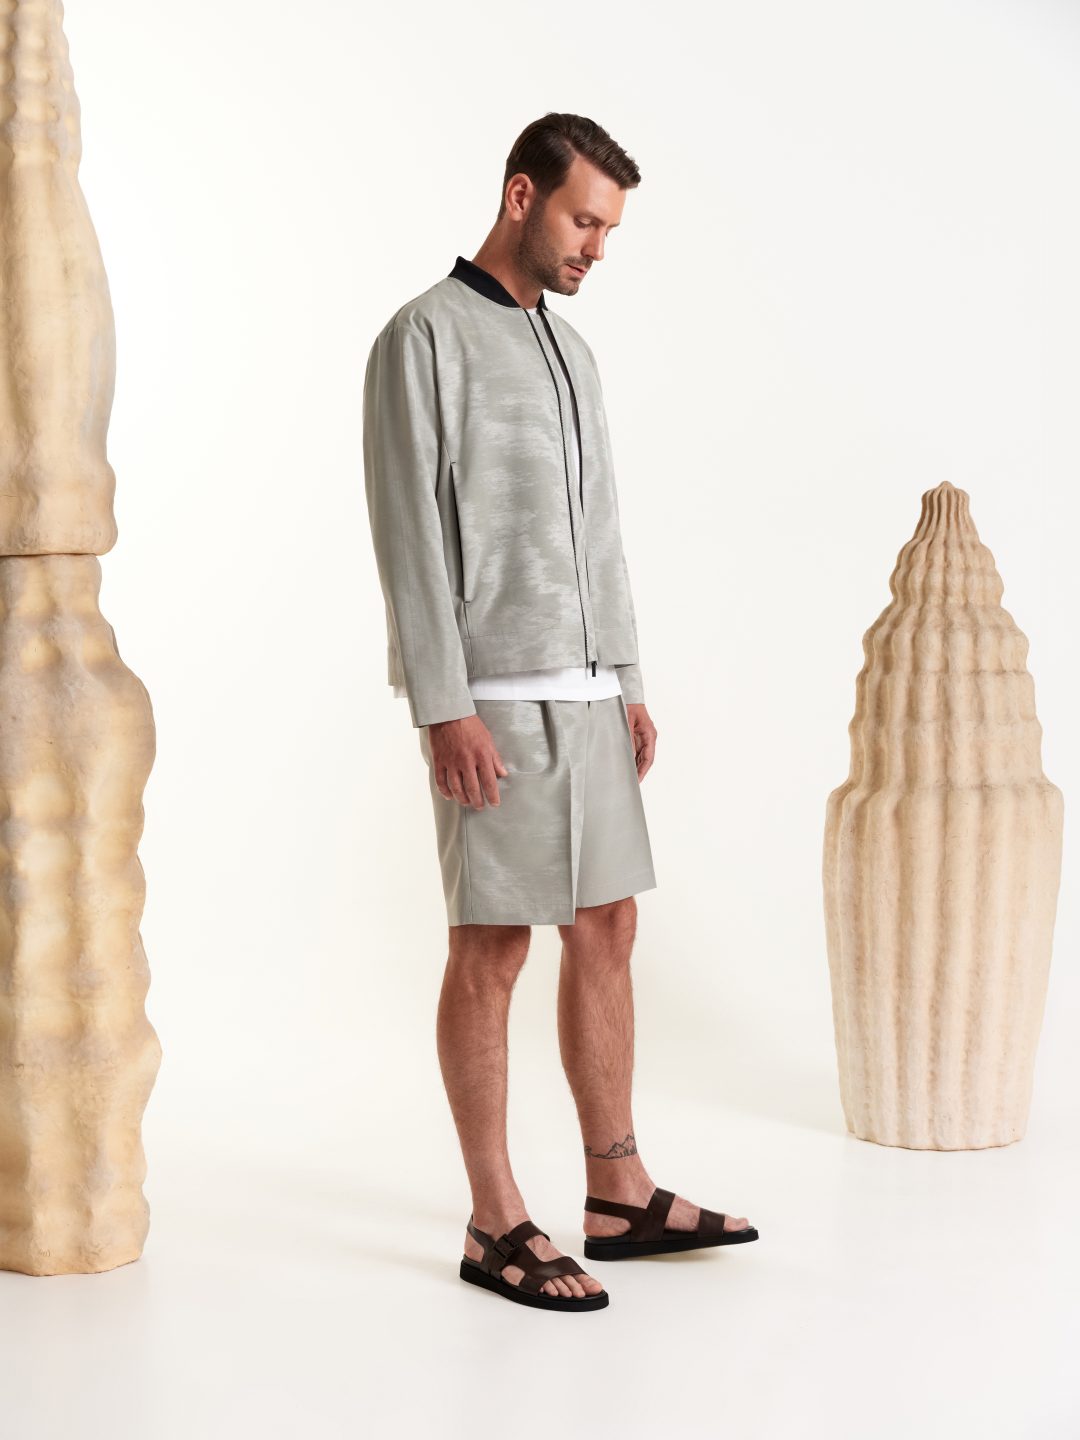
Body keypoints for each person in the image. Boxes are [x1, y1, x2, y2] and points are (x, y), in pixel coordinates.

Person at [362, 112, 757, 1313]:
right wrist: (443, 707)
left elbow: (603, 531)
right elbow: (409, 536)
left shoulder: (573, 352)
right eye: (585, 220)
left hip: (589, 695)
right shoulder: (422, 337)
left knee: (610, 927)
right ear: (522, 195)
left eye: (610, 230)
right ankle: (495, 1222)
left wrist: (626, 680)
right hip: (492, 699)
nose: (596, 247)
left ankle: (618, 1192)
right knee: (491, 948)